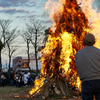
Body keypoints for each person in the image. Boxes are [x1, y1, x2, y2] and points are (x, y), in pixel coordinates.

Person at [75, 33, 100, 100]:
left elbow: (79, 67)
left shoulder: (78, 54)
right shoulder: (99, 52)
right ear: (94, 41)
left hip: (86, 82)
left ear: (84, 41)